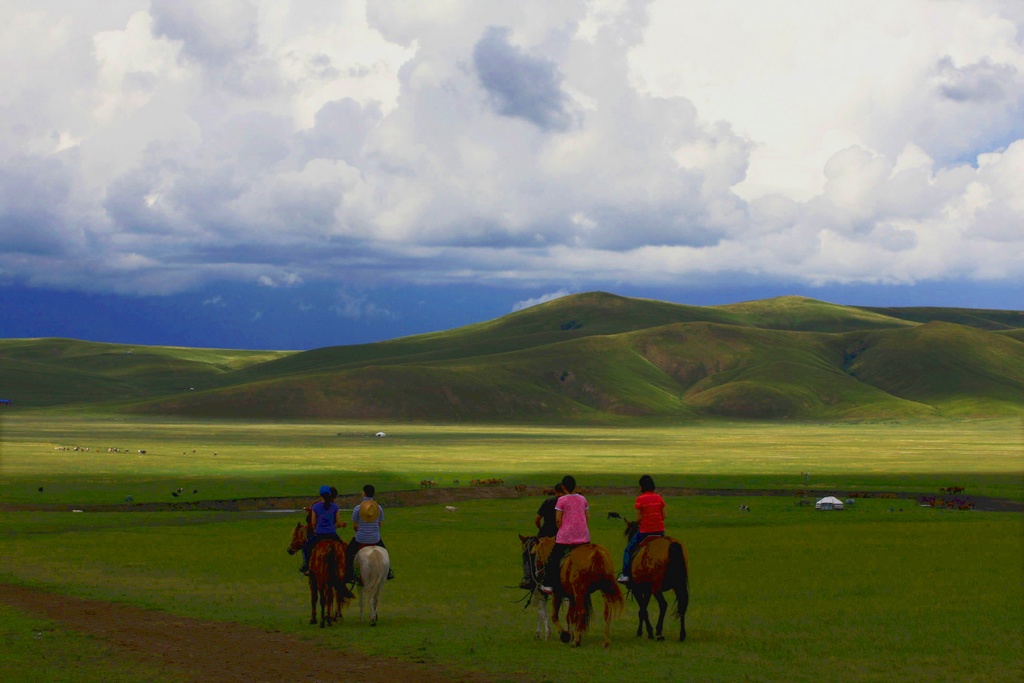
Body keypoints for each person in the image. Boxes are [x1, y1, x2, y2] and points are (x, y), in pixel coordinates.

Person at [538, 475, 589, 594]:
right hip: (584, 536)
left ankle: (548, 585)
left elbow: (558, 520)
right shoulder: (583, 499)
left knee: (553, 558)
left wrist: (561, 530)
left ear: (563, 487)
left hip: (566, 537)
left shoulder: (561, 500)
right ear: (575, 486)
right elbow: (587, 517)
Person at [617, 474, 666, 583]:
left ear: (642, 487)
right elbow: (664, 516)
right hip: (661, 531)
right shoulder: (659, 498)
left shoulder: (640, 499)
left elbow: (638, 518)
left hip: (646, 532)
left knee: (628, 550)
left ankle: (625, 575)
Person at [344, 484, 394, 583]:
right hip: (375, 538)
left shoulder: (357, 508)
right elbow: (379, 525)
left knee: (348, 553)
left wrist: (362, 531)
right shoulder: (378, 508)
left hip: (360, 538)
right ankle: (388, 572)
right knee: (385, 552)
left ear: (363, 494)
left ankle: (348, 575)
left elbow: (355, 526)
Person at [519, 482, 565, 589]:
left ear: (555, 491)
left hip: (545, 535)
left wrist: (541, 529)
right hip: (561, 536)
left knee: (527, 552)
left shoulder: (548, 502)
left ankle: (529, 579)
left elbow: (537, 520)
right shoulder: (567, 503)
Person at [298, 485, 344, 574]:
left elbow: (313, 523)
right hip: (332, 534)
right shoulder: (335, 507)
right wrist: (339, 525)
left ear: (320, 495)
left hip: (319, 535)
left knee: (306, 548)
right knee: (344, 548)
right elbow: (338, 523)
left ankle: (307, 567)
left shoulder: (316, 507)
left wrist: (316, 529)